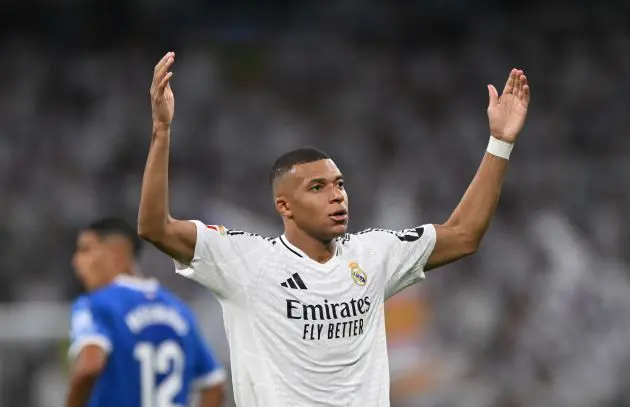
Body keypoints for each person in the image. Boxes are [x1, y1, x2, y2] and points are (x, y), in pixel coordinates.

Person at [138, 51, 530, 406]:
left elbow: (463, 234)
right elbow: (156, 227)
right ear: (284, 206)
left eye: (340, 184)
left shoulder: (374, 254)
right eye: (318, 187)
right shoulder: (247, 261)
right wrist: (161, 131)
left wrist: (499, 143)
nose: (337, 196)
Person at [66, 217, 226, 407]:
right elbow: (215, 383)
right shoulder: (180, 310)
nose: (76, 261)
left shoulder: (95, 305)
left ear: (117, 252)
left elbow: (89, 366)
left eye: (86, 250)